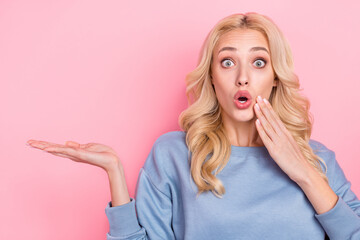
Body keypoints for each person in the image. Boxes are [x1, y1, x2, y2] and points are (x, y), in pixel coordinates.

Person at [27, 12, 360, 239]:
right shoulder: (174, 154)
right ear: (213, 79)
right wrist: (114, 171)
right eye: (228, 62)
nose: (243, 77)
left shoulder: (317, 160)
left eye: (259, 62)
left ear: (275, 78)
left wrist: (302, 171)